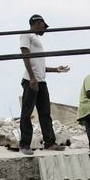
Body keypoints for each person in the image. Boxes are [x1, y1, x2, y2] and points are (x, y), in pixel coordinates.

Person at [19, 14, 70, 156]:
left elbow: (40, 65)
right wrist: (32, 78)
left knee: (45, 113)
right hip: (31, 80)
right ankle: (24, 144)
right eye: (44, 25)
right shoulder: (27, 34)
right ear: (37, 22)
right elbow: (25, 54)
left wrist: (56, 69)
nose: (45, 29)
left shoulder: (37, 40)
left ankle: (50, 143)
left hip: (41, 81)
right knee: (27, 113)